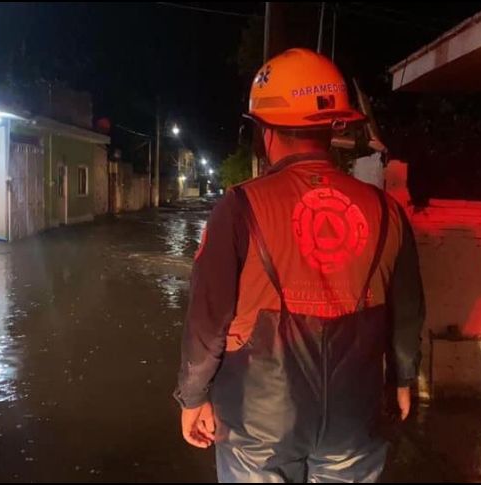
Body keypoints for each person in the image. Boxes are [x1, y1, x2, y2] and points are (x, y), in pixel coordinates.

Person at [175, 48, 425, 483]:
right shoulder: (387, 211)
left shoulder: (239, 207)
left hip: (259, 419)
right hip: (355, 411)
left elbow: (208, 317)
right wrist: (403, 379)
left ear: (265, 130)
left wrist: (193, 397)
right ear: (333, 126)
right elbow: (407, 312)